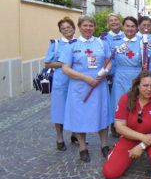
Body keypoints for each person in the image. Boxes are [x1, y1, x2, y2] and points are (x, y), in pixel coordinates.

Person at [60, 15, 112, 162]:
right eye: (85, 25)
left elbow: (109, 62)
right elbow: (65, 69)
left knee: (102, 114)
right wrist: (85, 78)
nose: (88, 28)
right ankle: (83, 147)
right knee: (79, 116)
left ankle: (104, 145)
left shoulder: (102, 43)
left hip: (99, 86)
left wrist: (105, 73)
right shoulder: (72, 45)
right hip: (79, 87)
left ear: (94, 27)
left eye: (91, 25)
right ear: (80, 27)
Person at [103, 71, 151, 179]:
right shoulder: (126, 99)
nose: (149, 89)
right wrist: (142, 138)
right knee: (110, 173)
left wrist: (141, 146)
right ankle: (115, 153)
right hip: (131, 137)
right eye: (145, 85)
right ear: (138, 86)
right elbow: (119, 127)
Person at [44, 17, 76, 151]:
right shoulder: (56, 44)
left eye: (69, 27)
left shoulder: (79, 43)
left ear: (74, 29)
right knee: (59, 110)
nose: (66, 30)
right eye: (63, 28)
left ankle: (76, 134)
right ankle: (60, 138)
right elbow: (48, 63)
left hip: (75, 80)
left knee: (75, 108)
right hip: (61, 81)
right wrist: (65, 64)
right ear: (60, 31)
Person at [109, 17, 142, 137]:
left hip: (136, 77)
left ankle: (135, 132)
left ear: (137, 28)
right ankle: (121, 131)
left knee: (136, 105)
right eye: (127, 26)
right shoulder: (115, 43)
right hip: (120, 77)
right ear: (123, 27)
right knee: (120, 104)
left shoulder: (142, 43)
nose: (130, 29)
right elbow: (109, 61)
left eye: (133, 26)